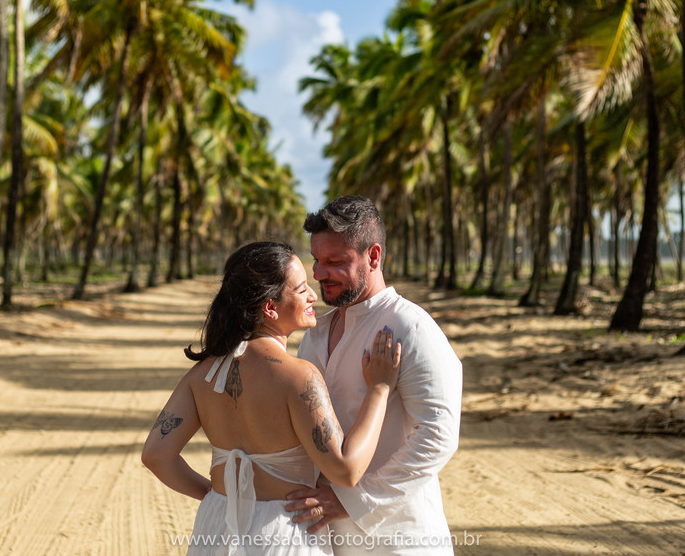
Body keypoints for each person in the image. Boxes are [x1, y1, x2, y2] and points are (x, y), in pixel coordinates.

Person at [142, 241, 402, 556]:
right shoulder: (298, 376)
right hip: (282, 532)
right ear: (270, 307)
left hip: (217, 527)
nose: (312, 296)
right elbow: (346, 470)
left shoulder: (202, 374)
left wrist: (216, 494)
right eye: (301, 288)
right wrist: (379, 389)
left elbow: (156, 455)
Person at [285, 195, 463, 555]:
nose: (319, 273)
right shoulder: (315, 332)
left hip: (399, 539)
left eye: (335, 261)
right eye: (317, 260)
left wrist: (356, 500)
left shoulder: (409, 327)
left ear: (374, 256)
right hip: (326, 539)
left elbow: (438, 436)